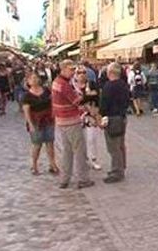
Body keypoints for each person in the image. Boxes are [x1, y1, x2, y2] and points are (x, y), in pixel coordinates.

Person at [51, 59, 94, 189]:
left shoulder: (56, 82)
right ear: (63, 69)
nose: (73, 72)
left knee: (66, 152)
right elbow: (77, 100)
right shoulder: (64, 85)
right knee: (79, 151)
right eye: (71, 69)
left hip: (61, 121)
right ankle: (83, 179)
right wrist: (84, 94)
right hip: (71, 121)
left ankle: (64, 179)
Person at [21, 71, 59, 175]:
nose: (35, 80)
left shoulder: (46, 90)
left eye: (36, 78)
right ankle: (34, 165)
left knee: (50, 142)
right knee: (37, 144)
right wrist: (30, 124)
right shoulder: (27, 96)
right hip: (36, 122)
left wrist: (54, 114)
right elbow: (26, 112)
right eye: (32, 78)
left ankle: (52, 164)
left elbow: (52, 102)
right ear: (28, 81)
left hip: (48, 120)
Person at [100, 62, 130, 183]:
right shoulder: (124, 85)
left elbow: (104, 105)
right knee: (120, 144)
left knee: (113, 147)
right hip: (122, 117)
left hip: (112, 118)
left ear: (110, 73)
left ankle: (117, 171)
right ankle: (121, 167)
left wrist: (102, 116)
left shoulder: (108, 86)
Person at [72, 65, 102, 171]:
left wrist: (95, 112)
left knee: (92, 138)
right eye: (79, 73)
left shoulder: (92, 84)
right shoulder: (72, 86)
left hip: (91, 115)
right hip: (77, 116)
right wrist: (87, 97)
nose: (82, 75)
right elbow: (75, 101)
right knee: (80, 140)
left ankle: (93, 159)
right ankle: (82, 160)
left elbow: (97, 97)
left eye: (84, 72)